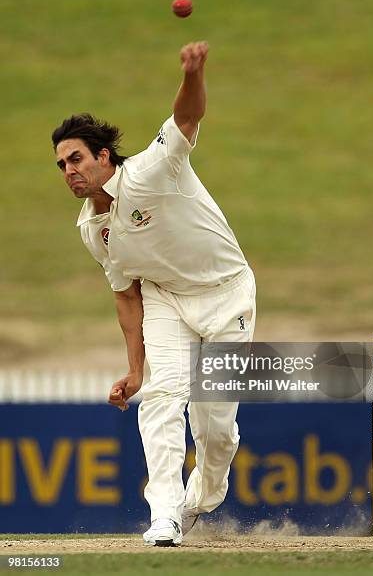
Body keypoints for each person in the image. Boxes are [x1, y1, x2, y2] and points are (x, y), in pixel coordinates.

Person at [52, 41, 256, 547]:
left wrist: (193, 72)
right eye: (60, 164)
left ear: (103, 156)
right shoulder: (92, 228)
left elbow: (186, 118)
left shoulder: (151, 169)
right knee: (161, 400)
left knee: (217, 432)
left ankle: (200, 499)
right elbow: (126, 296)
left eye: (76, 158)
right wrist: (136, 369)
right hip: (167, 300)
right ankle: (164, 514)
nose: (69, 170)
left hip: (227, 294)